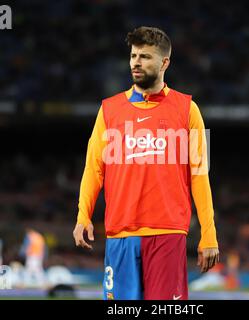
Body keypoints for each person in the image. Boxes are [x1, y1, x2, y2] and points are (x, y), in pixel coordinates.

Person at [73, 26, 219, 300]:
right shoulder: (108, 109)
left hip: (168, 233)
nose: (136, 63)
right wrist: (83, 215)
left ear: (165, 62)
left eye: (145, 57)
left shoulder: (190, 109)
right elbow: (93, 168)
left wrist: (208, 234)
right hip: (120, 234)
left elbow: (200, 176)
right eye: (133, 55)